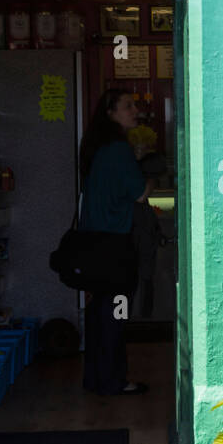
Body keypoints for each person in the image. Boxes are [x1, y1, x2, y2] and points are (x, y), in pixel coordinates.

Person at [77, 88, 152, 395]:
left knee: (99, 312)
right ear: (111, 113)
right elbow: (140, 194)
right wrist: (150, 172)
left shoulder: (97, 146)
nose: (135, 110)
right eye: (127, 105)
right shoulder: (118, 148)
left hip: (92, 243)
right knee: (115, 314)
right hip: (114, 246)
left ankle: (95, 379)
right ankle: (114, 382)